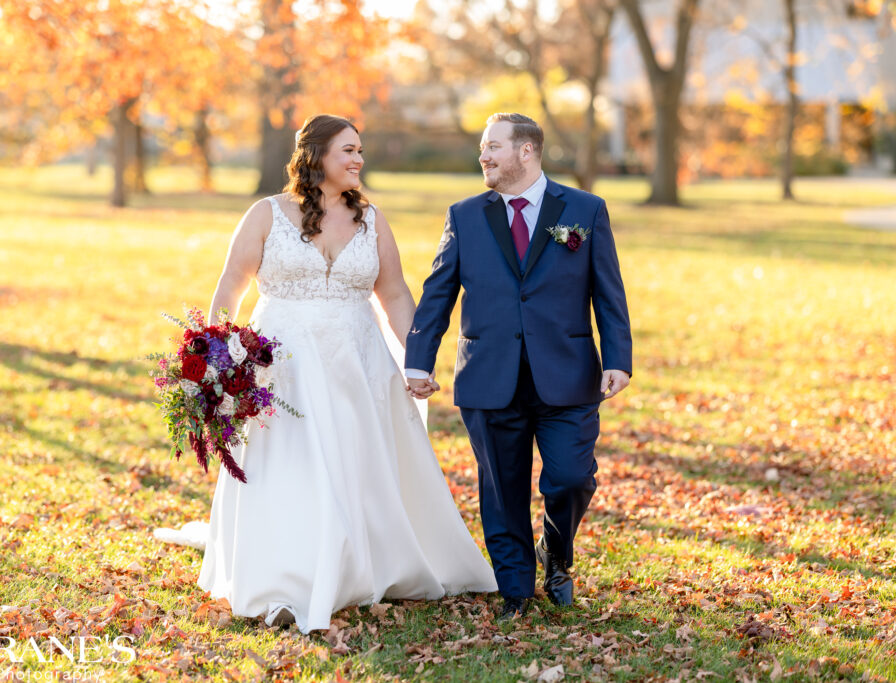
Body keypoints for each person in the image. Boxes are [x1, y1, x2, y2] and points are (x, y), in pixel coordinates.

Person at [154, 114, 497, 633]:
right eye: (348, 151)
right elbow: (231, 286)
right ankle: (286, 576)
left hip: (357, 359)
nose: (359, 160)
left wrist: (416, 358)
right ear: (316, 156)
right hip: (283, 363)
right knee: (293, 463)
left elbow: (396, 294)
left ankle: (364, 563)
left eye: (361, 150)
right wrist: (217, 359)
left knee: (357, 459)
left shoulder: (372, 219)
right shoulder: (266, 214)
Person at [405, 113, 632, 621]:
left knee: (572, 478)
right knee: (502, 490)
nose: (482, 157)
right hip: (489, 375)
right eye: (483, 148)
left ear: (526, 151)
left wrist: (618, 357)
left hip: (569, 374)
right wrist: (418, 361)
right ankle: (515, 592)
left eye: (492, 147)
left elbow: (608, 290)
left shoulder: (584, 210)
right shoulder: (465, 215)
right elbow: (437, 293)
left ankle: (558, 552)